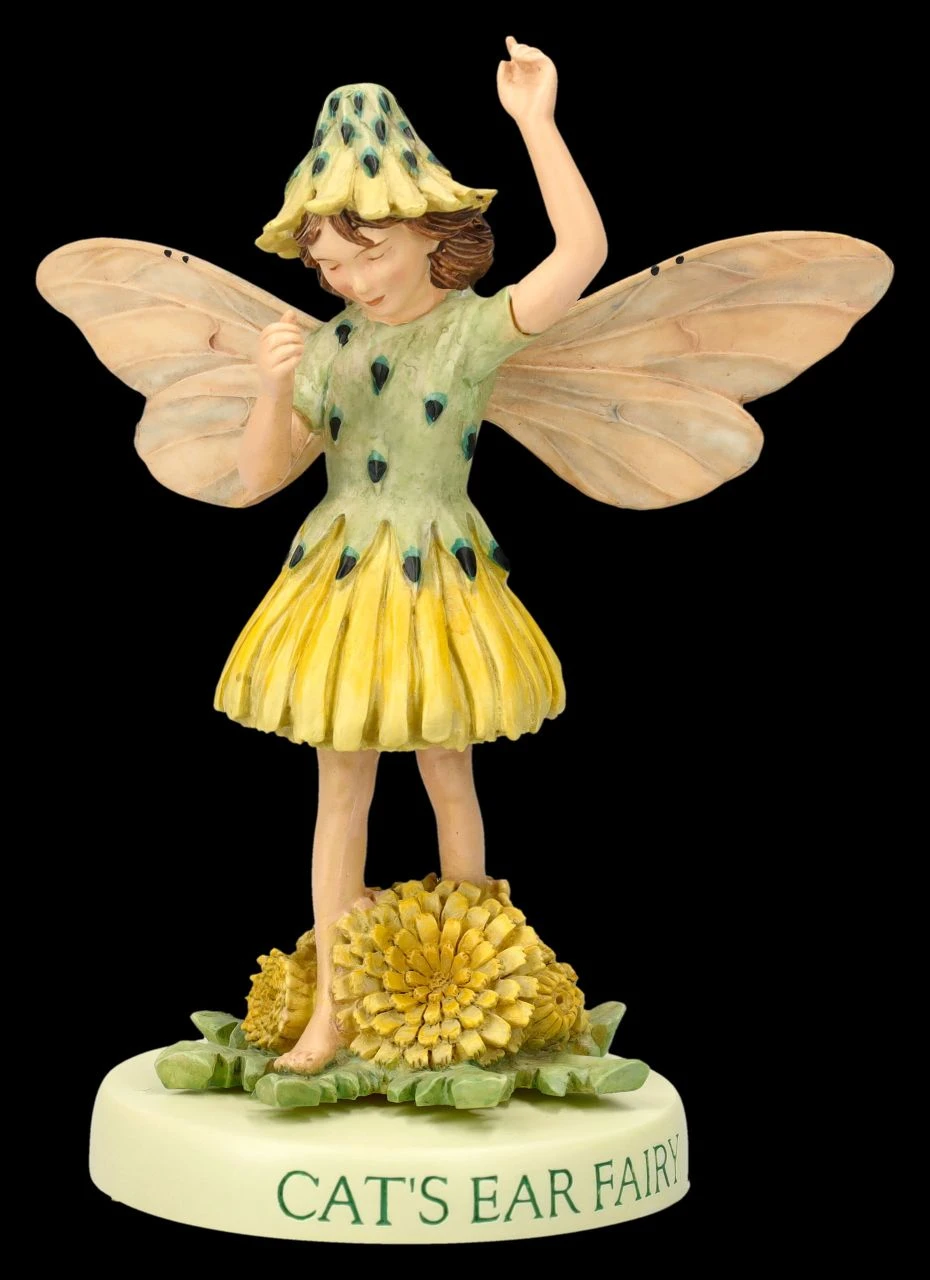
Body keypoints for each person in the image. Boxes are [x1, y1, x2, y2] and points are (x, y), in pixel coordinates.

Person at [214, 37, 609, 1073]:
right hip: (342, 575)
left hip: (439, 569)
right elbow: (256, 478)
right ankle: (333, 1009)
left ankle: (479, 973)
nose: (351, 281)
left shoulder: (472, 333)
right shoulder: (329, 347)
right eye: (330, 266)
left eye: (369, 256)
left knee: (449, 768)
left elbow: (581, 254)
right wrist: (270, 387)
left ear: (429, 233)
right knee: (339, 787)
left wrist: (537, 124)